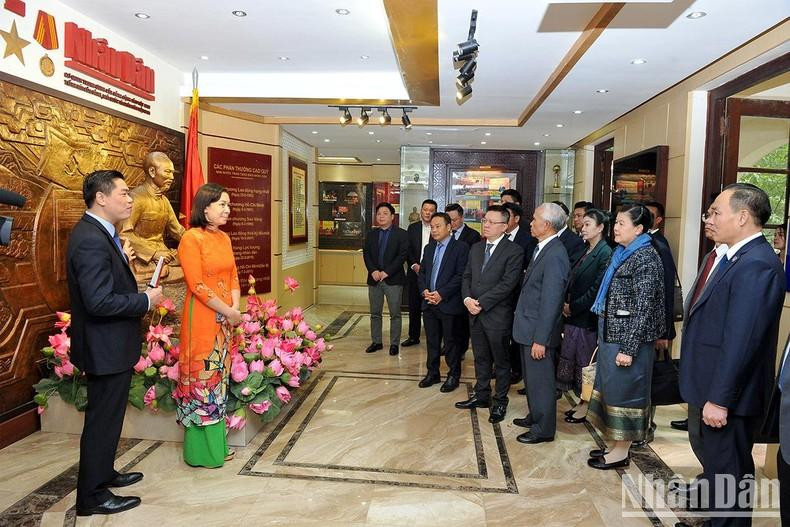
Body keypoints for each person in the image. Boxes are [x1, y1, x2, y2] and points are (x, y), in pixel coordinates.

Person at [679, 183, 785, 523]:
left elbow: (743, 339)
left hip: (730, 395)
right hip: (714, 386)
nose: (709, 218)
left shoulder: (757, 264)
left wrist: (720, 399)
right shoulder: (730, 256)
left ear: (742, 217)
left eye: (715, 212)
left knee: (729, 477)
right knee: (719, 473)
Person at [67, 170, 163, 516]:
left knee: (108, 419)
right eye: (123, 193)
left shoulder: (103, 234)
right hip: (103, 347)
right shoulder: (91, 238)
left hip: (110, 345)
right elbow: (98, 301)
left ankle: (103, 472)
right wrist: (145, 302)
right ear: (101, 198)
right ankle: (91, 497)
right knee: (101, 421)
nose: (129, 199)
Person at [586, 204, 665, 470]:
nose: (615, 228)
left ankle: (621, 451)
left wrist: (629, 348)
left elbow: (644, 308)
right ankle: (614, 445)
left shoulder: (646, 257)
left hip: (629, 342)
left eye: (621, 223)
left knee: (626, 394)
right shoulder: (623, 253)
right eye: (615, 223)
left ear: (639, 228)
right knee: (612, 391)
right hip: (612, 335)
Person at [175, 183, 242, 468]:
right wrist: (227, 310)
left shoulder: (224, 238)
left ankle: (218, 445)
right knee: (204, 377)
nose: (227, 210)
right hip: (202, 316)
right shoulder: (191, 238)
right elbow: (197, 285)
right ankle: (202, 452)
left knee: (220, 377)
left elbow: (234, 277)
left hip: (225, 318)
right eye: (222, 205)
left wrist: (234, 310)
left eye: (228, 204)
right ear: (205, 208)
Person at [456, 205, 524, 423]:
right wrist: (467, 300)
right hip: (473, 313)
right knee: (480, 357)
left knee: (501, 361)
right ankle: (482, 395)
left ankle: (500, 400)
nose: (485, 225)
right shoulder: (475, 248)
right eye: (485, 220)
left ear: (504, 226)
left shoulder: (514, 251)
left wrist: (481, 303)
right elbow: (466, 276)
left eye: (491, 222)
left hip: (497, 315)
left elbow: (508, 285)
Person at [512, 203, 570, 444]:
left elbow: (551, 302)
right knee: (533, 381)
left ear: (546, 225)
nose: (531, 223)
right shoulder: (542, 248)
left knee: (542, 383)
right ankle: (536, 416)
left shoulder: (555, 254)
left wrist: (541, 339)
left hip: (538, 333)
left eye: (535, 219)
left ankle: (543, 429)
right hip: (529, 328)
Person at [557, 209, 613, 423]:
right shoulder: (585, 250)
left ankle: (587, 405)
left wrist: (573, 307)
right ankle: (582, 402)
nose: (582, 227)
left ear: (600, 228)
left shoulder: (605, 253)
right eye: (583, 224)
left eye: (588, 224)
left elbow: (596, 290)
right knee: (574, 362)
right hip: (573, 317)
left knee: (586, 365)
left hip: (586, 319)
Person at [417, 212, 469, 392]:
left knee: (451, 343)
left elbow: (461, 275)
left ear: (449, 227)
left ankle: (453, 375)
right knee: (432, 341)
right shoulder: (429, 248)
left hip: (449, 303)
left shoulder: (461, 248)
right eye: (432, 227)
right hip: (429, 303)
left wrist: (441, 294)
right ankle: (433, 373)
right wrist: (424, 290)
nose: (434, 230)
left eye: (438, 226)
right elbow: (422, 272)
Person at [640, 200, 678, 445]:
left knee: (651, 379)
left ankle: (647, 425)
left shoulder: (658, 245)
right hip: (648, 327)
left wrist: (663, 330)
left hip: (655, 328)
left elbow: (664, 291)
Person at [120, 152, 185, 282]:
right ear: (152, 171)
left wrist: (197, 242)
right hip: (142, 259)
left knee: (188, 269)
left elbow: (177, 230)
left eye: (172, 173)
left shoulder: (164, 201)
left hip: (164, 256)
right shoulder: (135, 198)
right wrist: (153, 253)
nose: (172, 177)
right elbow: (124, 233)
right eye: (167, 172)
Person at [362, 202, 408, 356]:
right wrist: (373, 270)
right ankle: (376, 342)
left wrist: (387, 271)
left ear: (392, 217)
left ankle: (394, 343)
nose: (381, 216)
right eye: (379, 213)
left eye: (385, 213)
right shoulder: (371, 234)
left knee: (395, 313)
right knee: (375, 313)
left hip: (393, 279)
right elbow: (366, 254)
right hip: (374, 279)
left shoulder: (401, 234)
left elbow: (402, 256)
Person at [446, 202, 480, 356]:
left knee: (462, 320)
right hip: (447, 283)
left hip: (465, 282)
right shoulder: (443, 234)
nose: (452, 223)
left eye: (454, 220)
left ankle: (461, 348)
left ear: (462, 218)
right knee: (448, 319)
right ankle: (448, 346)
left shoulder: (472, 235)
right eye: (449, 220)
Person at [404, 199, 438, 347]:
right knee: (414, 307)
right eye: (425, 209)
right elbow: (408, 249)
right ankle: (413, 336)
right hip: (414, 274)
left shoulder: (438, 228)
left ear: (435, 212)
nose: (428, 212)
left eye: (431, 210)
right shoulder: (412, 228)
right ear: (421, 210)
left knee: (433, 308)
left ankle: (435, 338)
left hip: (433, 275)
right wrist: (413, 265)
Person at [552, 200, 586, 266]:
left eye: (556, 215)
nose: (575, 219)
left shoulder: (576, 241)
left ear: (566, 218)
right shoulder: (544, 237)